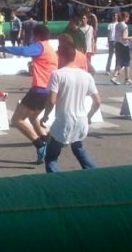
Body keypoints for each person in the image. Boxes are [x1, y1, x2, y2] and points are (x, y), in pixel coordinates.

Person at [41, 42, 102, 173]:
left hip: (63, 121)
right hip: (81, 120)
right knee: (78, 149)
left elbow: (51, 100)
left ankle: (55, 184)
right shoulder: (86, 75)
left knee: (51, 156)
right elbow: (97, 101)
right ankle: (95, 176)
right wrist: (89, 116)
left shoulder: (57, 75)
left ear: (60, 56)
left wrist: (45, 116)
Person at [1, 24, 55, 165]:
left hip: (39, 90)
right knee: (32, 117)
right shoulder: (50, 48)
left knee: (16, 120)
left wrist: (2, 48)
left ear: (37, 35)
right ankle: (46, 140)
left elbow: (24, 51)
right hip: (48, 91)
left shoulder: (40, 46)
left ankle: (39, 145)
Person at [110, 11, 132, 85]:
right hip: (123, 45)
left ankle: (123, 78)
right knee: (126, 61)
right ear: (125, 17)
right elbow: (123, 37)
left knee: (122, 62)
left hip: (117, 44)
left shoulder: (117, 25)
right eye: (128, 17)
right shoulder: (124, 26)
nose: (128, 19)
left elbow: (119, 36)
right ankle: (123, 78)